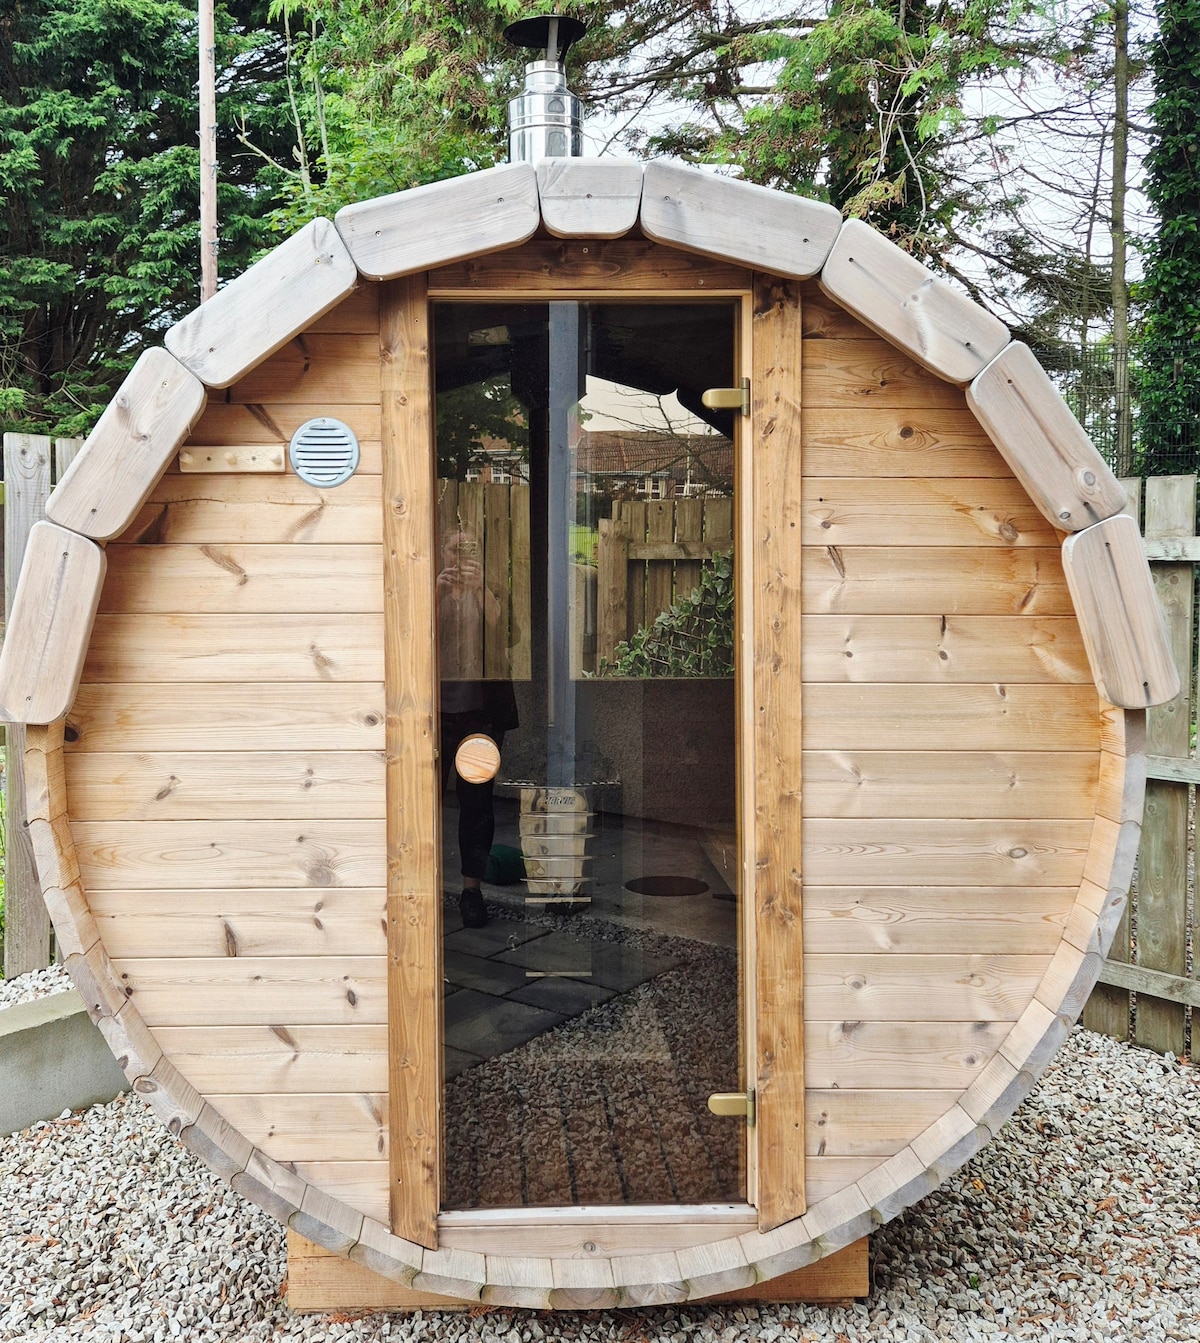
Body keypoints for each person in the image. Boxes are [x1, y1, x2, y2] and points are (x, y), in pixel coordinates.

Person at [437, 528, 519, 928]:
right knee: (420, 801)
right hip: (430, 713)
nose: (460, 556)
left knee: (476, 805)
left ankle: (472, 891)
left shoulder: (492, 589)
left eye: (468, 549)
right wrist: (437, 592)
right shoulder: (426, 585)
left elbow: (511, 636)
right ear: (441, 552)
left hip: (479, 714)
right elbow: (408, 633)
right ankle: (421, 887)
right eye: (455, 549)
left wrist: (483, 590)